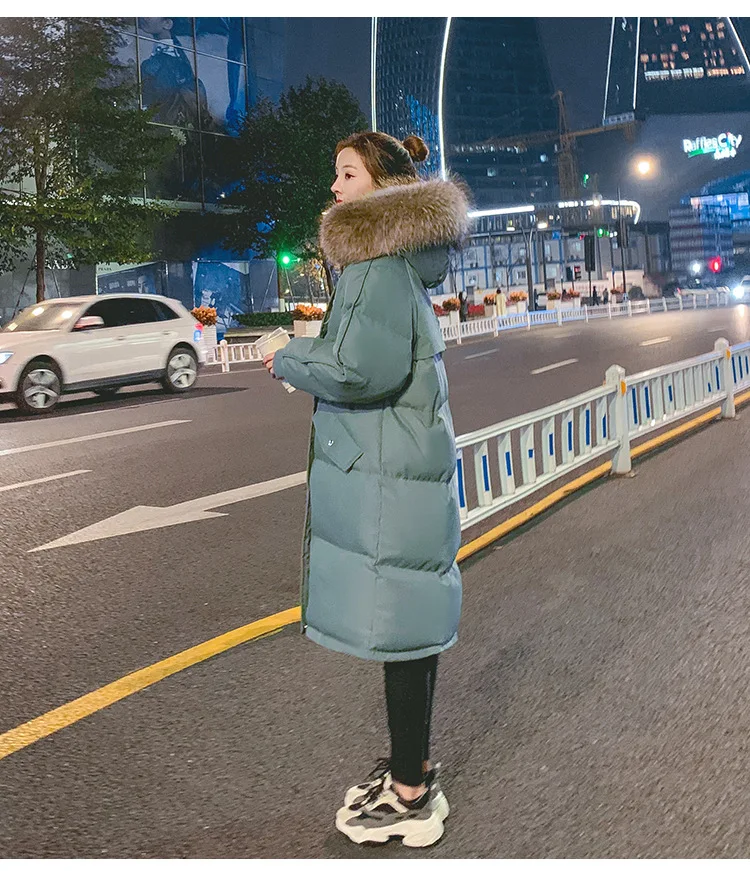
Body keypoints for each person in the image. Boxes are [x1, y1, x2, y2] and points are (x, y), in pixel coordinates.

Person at [262, 131, 469, 848]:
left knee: (399, 628)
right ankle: (413, 770)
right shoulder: (398, 259)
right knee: (407, 627)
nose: (335, 187)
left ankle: (410, 796)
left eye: (347, 174)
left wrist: (286, 355)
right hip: (401, 466)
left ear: (383, 187)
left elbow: (358, 371)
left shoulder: (376, 265)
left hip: (388, 474)